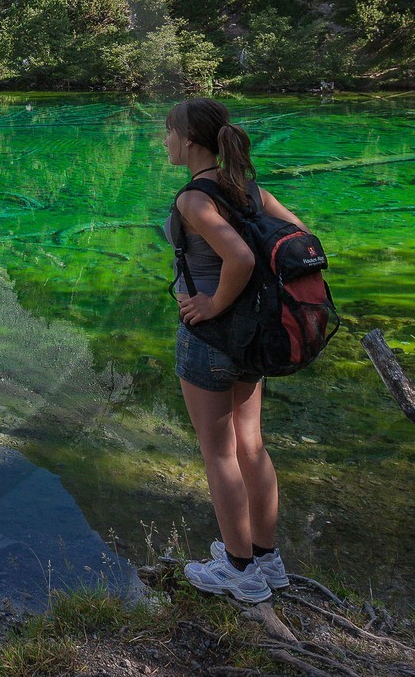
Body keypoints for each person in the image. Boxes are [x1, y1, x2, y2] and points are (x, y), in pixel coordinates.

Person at [162, 98, 311, 603]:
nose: (164, 142)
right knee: (251, 445)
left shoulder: (193, 199)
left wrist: (211, 304)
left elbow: (241, 256)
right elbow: (303, 238)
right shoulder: (248, 189)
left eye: (168, 133)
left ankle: (239, 570)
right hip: (253, 338)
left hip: (210, 341)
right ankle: (267, 560)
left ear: (189, 140)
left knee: (219, 452)